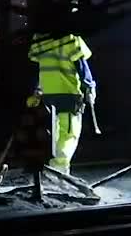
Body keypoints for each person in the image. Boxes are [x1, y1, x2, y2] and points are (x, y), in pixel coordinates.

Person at [27, 32, 96, 175]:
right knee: (68, 135)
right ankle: (59, 171)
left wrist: (36, 90)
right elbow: (81, 64)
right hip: (68, 94)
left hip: (47, 94)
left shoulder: (39, 39)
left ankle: (51, 169)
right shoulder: (69, 37)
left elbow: (39, 67)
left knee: (53, 135)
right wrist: (89, 86)